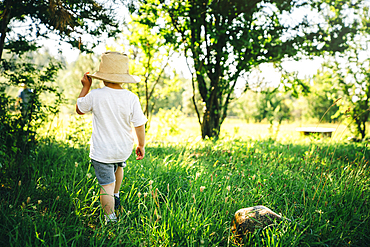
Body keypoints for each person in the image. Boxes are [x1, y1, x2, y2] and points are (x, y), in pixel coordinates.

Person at [76, 52, 147, 224]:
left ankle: (110, 217)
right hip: (122, 148)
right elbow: (139, 124)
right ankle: (116, 194)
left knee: (105, 185)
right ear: (123, 78)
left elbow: (80, 109)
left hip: (102, 151)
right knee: (119, 167)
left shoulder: (95, 95)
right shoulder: (131, 97)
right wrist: (141, 145)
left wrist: (86, 86)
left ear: (101, 77)